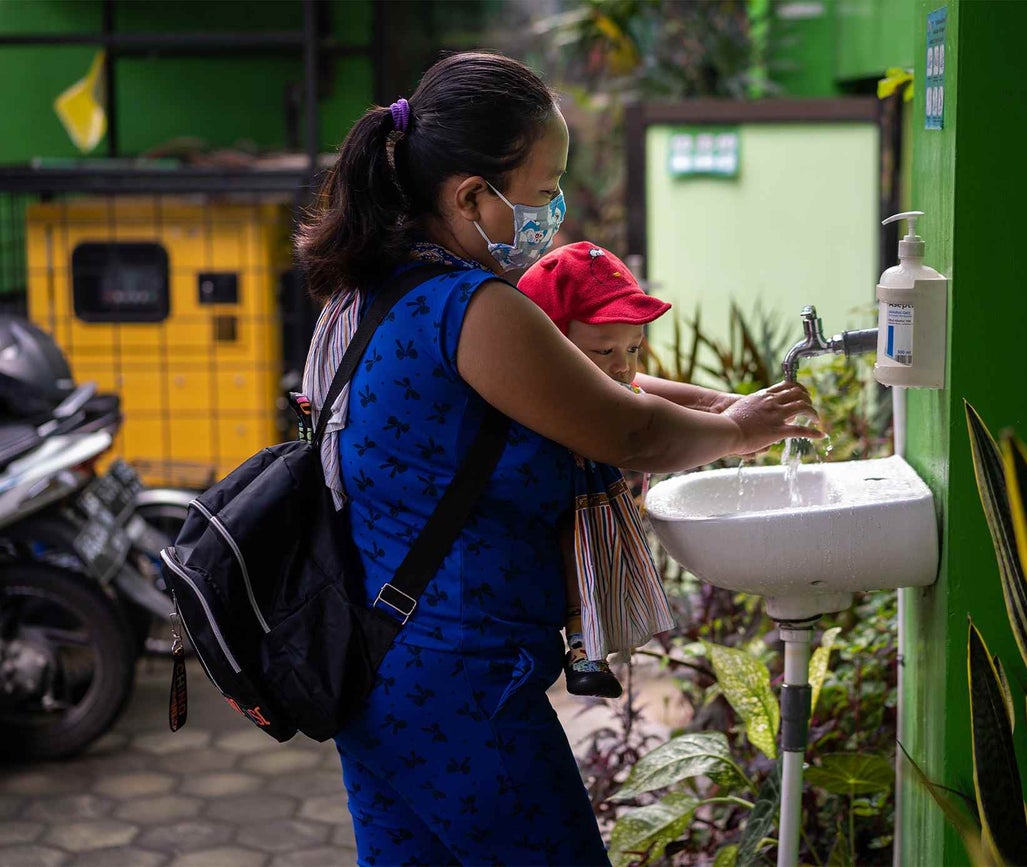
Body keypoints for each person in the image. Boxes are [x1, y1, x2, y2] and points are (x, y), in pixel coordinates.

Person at [298, 51, 820, 867]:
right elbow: (628, 431)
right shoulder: (472, 307)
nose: (555, 212)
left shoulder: (374, 289)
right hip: (464, 687)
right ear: (471, 195)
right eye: (543, 193)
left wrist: (728, 407)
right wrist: (745, 432)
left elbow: (595, 386)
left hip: (379, 668)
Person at [518, 240, 719, 700]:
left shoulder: (607, 380)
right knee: (576, 552)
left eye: (634, 348)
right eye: (604, 352)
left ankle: (595, 641)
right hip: (558, 506)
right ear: (550, 345)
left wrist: (719, 406)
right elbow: (645, 426)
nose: (623, 367)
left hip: (590, 500)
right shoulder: (542, 391)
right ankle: (583, 645)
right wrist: (732, 428)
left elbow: (642, 395)